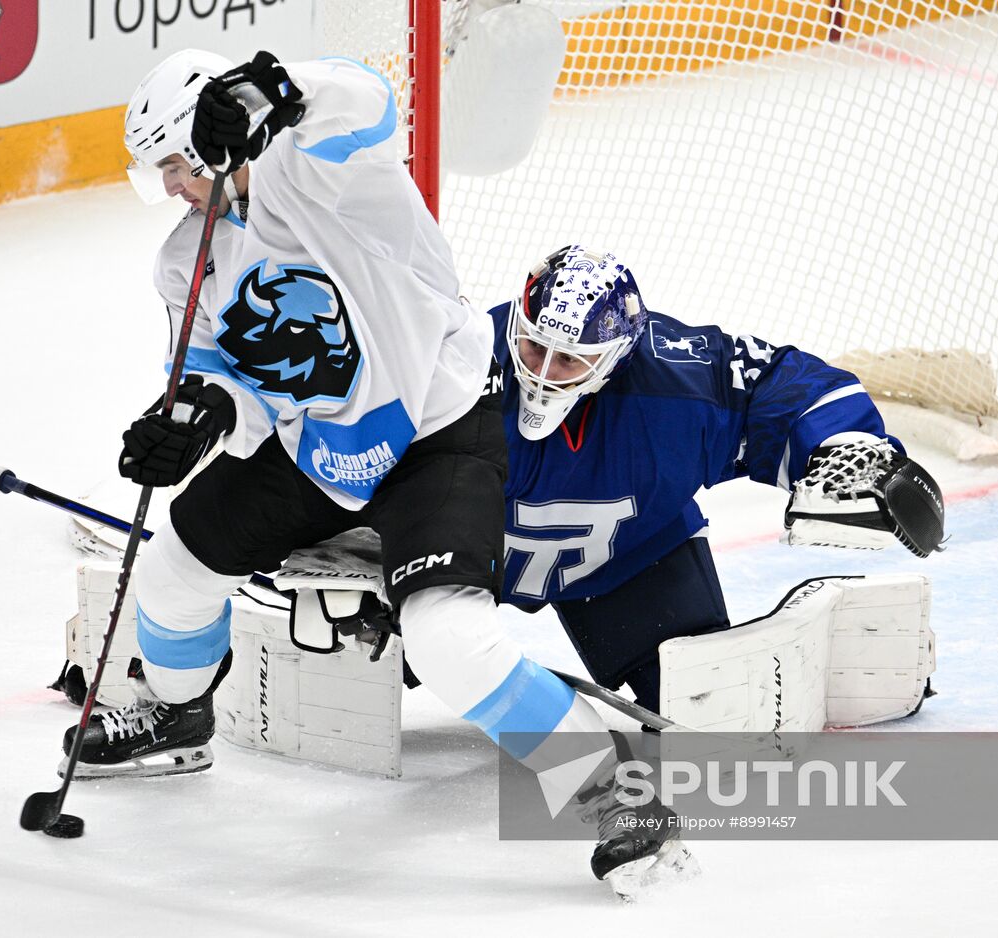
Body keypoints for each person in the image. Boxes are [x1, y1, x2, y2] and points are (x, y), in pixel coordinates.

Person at [63, 50, 688, 892]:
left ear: (214, 139)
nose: (171, 185)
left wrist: (276, 89)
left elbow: (365, 99)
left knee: (447, 638)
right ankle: (177, 714)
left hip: (438, 433)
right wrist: (194, 420)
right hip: (317, 449)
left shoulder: (322, 173)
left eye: (175, 162)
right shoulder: (187, 260)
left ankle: (618, 793)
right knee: (173, 567)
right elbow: (221, 378)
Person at [490, 245, 943, 715]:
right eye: (535, 347)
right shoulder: (462, 363)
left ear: (618, 355)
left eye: (569, 359)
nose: (541, 375)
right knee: (442, 651)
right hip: (458, 559)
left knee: (705, 704)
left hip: (626, 558)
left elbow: (781, 385)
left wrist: (846, 448)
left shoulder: (675, 382)